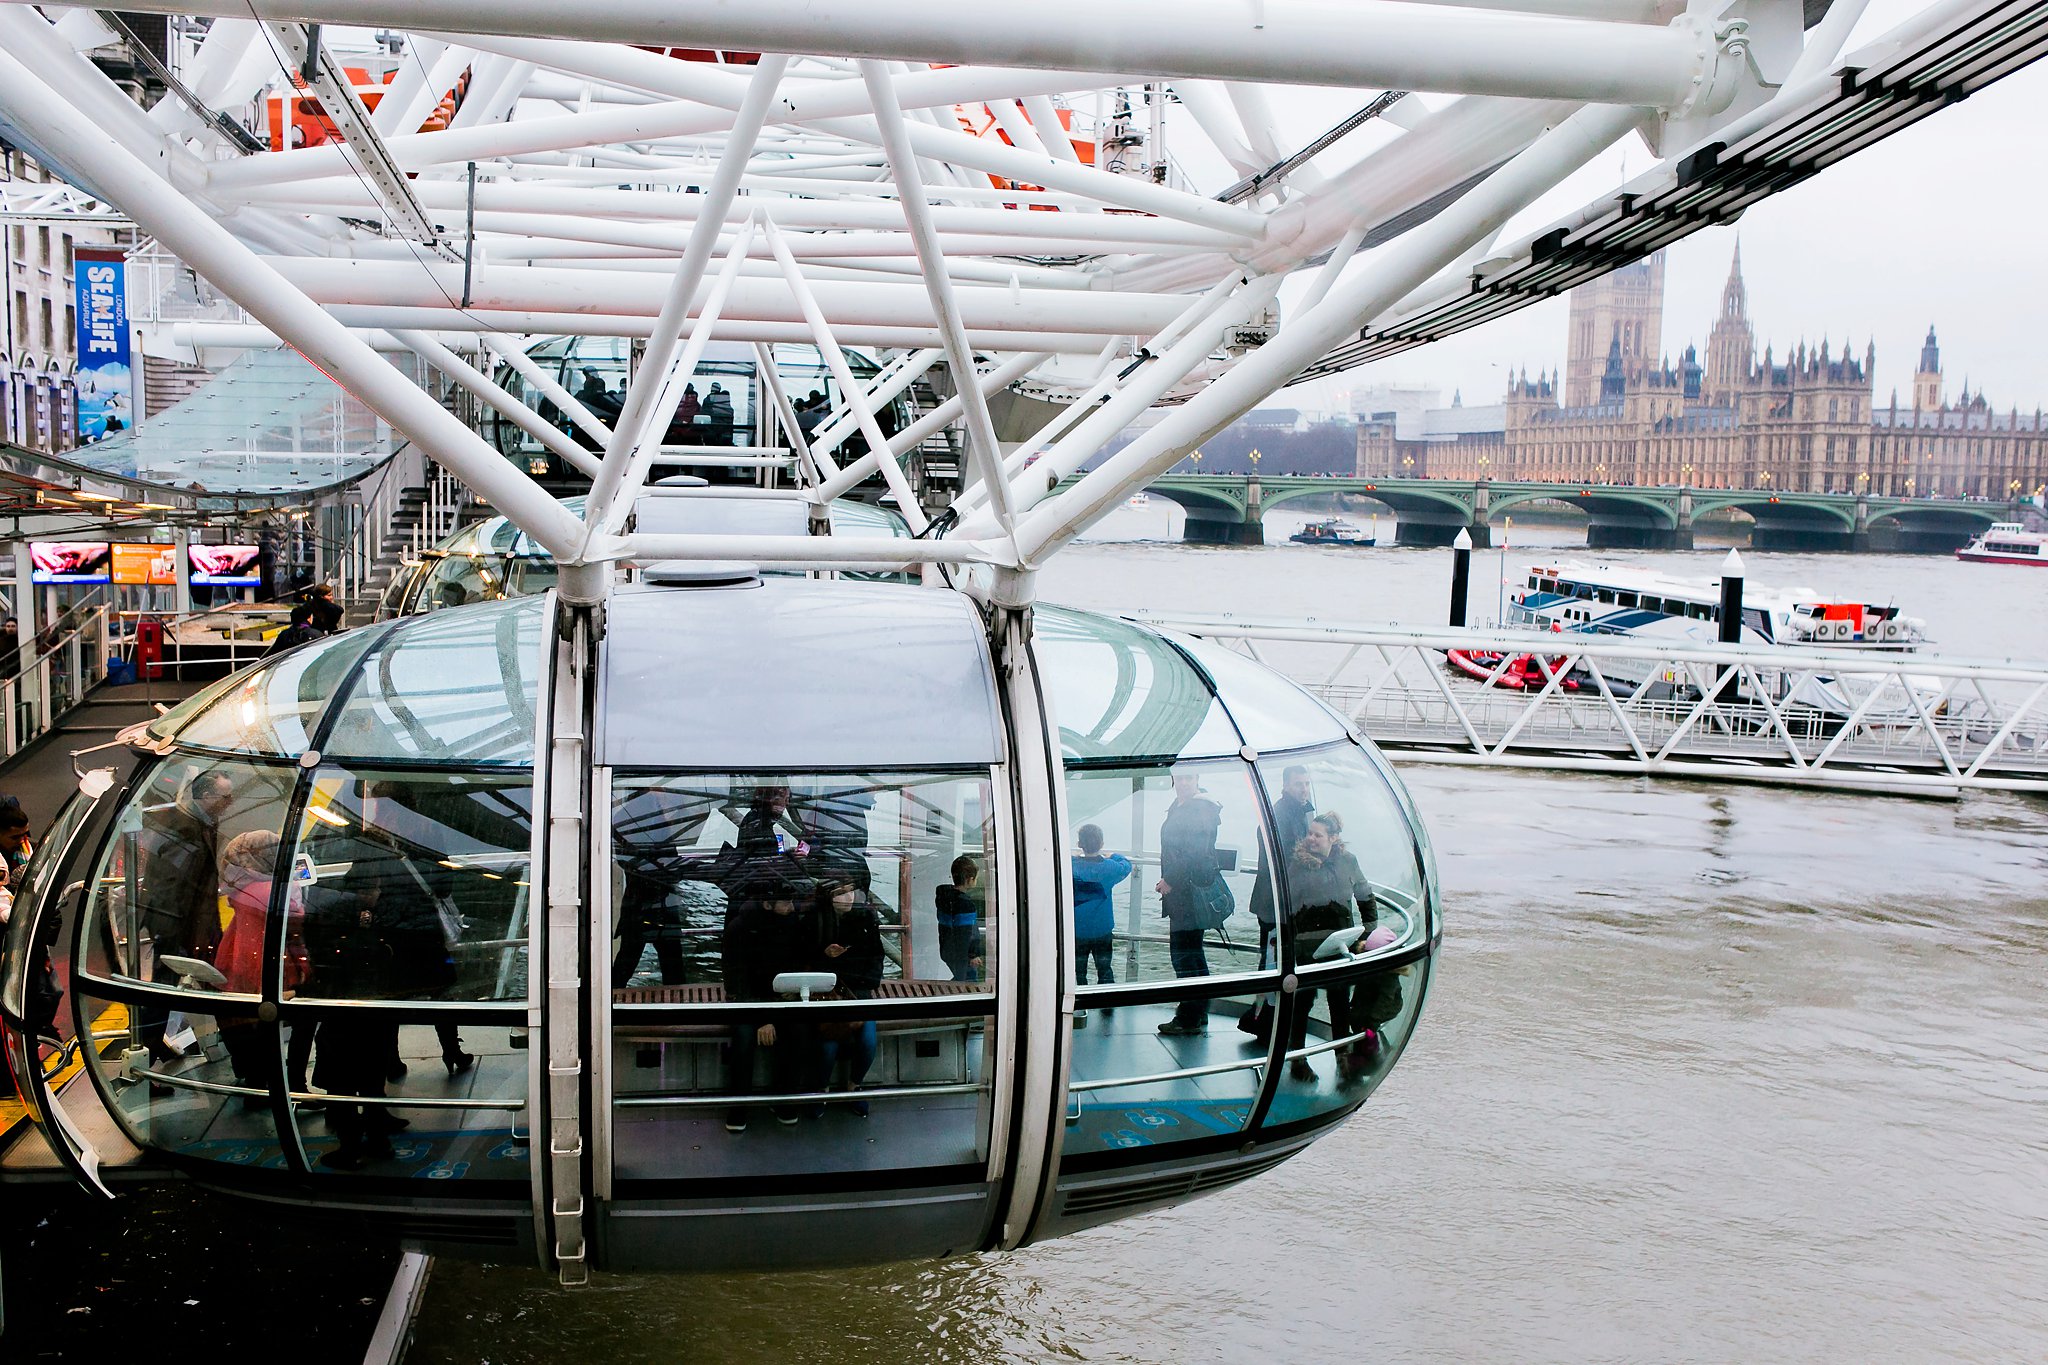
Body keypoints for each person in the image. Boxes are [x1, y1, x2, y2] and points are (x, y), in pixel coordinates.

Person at [134, 770, 234, 1064]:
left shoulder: (199, 821)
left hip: (190, 922)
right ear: (206, 797)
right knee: (171, 987)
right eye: (225, 796)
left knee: (183, 985)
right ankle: (149, 1051)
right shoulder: (186, 830)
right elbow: (172, 883)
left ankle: (157, 1046)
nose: (231, 802)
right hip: (180, 924)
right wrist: (176, 929)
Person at [721, 873, 820, 1132]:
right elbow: (737, 981)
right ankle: (738, 1105)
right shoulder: (739, 929)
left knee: (800, 1032)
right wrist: (763, 1017)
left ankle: (783, 1098)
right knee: (743, 1038)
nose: (791, 907)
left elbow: (799, 963)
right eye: (785, 903)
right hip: (748, 1002)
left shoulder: (791, 924)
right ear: (767, 905)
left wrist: (792, 990)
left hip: (781, 997)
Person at [1283, 811, 1375, 1082]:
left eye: (1317, 835)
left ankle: (1342, 1059)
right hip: (1306, 947)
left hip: (1338, 945)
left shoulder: (1348, 861)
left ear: (1333, 839)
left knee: (1339, 1004)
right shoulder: (1297, 865)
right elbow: (1286, 906)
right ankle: (1297, 1061)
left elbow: (1365, 896)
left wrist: (1366, 935)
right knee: (1301, 1004)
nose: (1310, 839)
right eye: (1309, 833)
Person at [1155, 767, 1222, 1036]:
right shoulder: (1185, 806)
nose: (1183, 783)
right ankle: (1198, 1011)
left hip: (1187, 894)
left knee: (1183, 955)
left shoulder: (1198, 810)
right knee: (1193, 953)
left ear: (1197, 780)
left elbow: (1194, 853)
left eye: (1188, 778)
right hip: (1188, 893)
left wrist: (1169, 879)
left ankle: (1188, 1017)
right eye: (1179, 778)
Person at [812, 869, 884, 1117]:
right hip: (827, 992)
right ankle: (821, 1088)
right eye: (841, 893)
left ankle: (854, 1084)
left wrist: (863, 983)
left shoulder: (866, 918)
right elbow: (805, 963)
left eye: (850, 891)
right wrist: (824, 957)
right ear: (829, 896)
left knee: (868, 1041)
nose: (849, 897)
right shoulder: (817, 920)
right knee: (827, 1045)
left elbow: (876, 959)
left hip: (859, 989)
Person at [1069, 824, 1130, 989]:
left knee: (1078, 971)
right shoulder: (1109, 868)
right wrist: (1113, 855)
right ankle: (1106, 1003)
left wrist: (1074, 857)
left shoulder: (1070, 866)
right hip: (1102, 929)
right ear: (1101, 844)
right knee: (1104, 968)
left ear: (1079, 844)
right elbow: (1126, 865)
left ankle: (1081, 1000)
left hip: (1077, 930)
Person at [935, 855, 984, 983]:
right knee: (969, 982)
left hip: (947, 950)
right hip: (963, 955)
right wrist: (973, 954)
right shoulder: (966, 905)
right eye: (975, 878)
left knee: (960, 978)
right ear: (969, 880)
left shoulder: (944, 898)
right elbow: (968, 933)